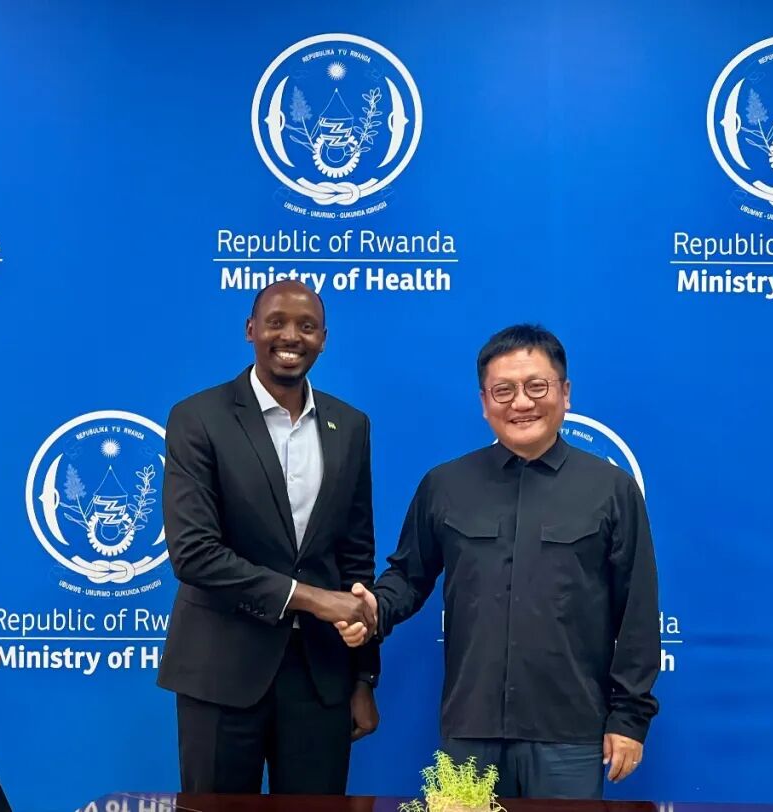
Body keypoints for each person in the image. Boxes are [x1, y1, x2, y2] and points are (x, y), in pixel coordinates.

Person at [337, 324, 659, 799]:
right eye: (503, 391)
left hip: (570, 730)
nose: (521, 403)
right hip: (470, 728)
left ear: (565, 393)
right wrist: (374, 610)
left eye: (537, 387)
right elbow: (408, 576)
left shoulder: (611, 490)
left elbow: (637, 611)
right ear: (485, 402)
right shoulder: (445, 485)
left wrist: (629, 718)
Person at [158, 280, 380, 795]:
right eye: (276, 322)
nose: (291, 336)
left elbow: (357, 558)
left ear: (324, 339)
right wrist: (314, 600)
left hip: (320, 677)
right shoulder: (198, 418)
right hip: (220, 671)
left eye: (307, 326)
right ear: (250, 329)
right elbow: (194, 554)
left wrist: (364, 677)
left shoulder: (351, 426)